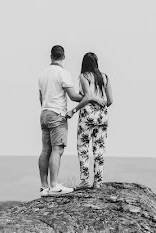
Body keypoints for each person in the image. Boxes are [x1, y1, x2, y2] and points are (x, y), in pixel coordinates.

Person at [38, 45, 105, 195]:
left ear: (51, 56)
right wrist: (91, 98)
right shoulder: (63, 73)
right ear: (64, 57)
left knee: (45, 150)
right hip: (57, 114)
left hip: (44, 113)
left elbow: (41, 97)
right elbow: (73, 96)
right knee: (57, 149)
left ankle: (44, 186)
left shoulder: (42, 74)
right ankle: (54, 185)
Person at [65, 52, 113, 189]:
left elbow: (87, 97)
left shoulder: (84, 76)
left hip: (87, 116)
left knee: (83, 147)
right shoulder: (105, 77)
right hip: (102, 116)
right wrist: (100, 108)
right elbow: (110, 101)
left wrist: (73, 111)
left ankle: (85, 180)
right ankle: (98, 181)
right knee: (99, 149)